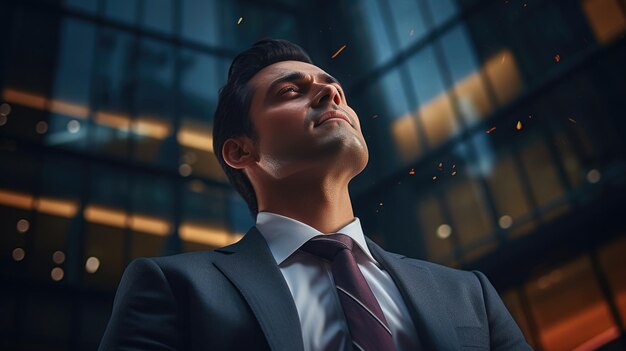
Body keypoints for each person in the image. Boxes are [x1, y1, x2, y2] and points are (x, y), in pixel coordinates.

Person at [99, 39, 532, 351]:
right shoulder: (176, 288)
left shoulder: (468, 295)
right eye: (291, 90)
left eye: (333, 87)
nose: (331, 93)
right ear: (240, 150)